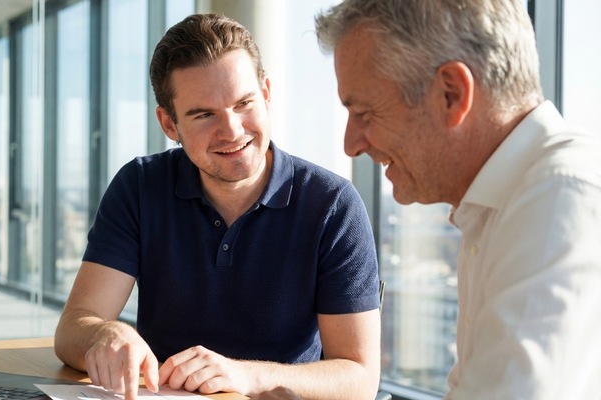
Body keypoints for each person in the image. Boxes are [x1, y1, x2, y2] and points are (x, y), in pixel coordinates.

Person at [255, 1, 601, 399]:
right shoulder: (497, 208)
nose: (351, 146)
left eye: (365, 113)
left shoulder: (558, 200)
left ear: (451, 94)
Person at [53, 13, 381, 400]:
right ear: (169, 125)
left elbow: (359, 377)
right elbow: (72, 330)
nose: (232, 131)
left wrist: (244, 376)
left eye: (244, 103)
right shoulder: (140, 186)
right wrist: (104, 333)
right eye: (204, 114)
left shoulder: (333, 206)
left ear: (267, 93)